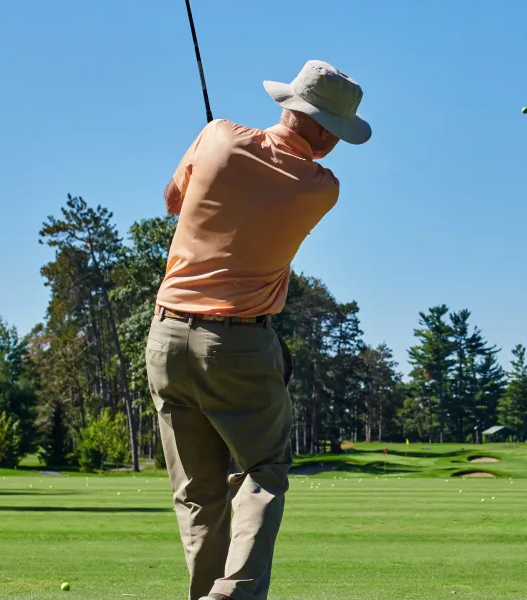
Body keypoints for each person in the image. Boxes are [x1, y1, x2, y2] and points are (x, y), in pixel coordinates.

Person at [146, 60, 370, 600]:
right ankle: (234, 594)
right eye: (335, 133)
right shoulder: (321, 187)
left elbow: (173, 202)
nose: (336, 145)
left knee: (198, 493)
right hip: (239, 344)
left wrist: (214, 156)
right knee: (263, 471)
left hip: (166, 336)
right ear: (316, 126)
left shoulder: (218, 135)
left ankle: (205, 594)